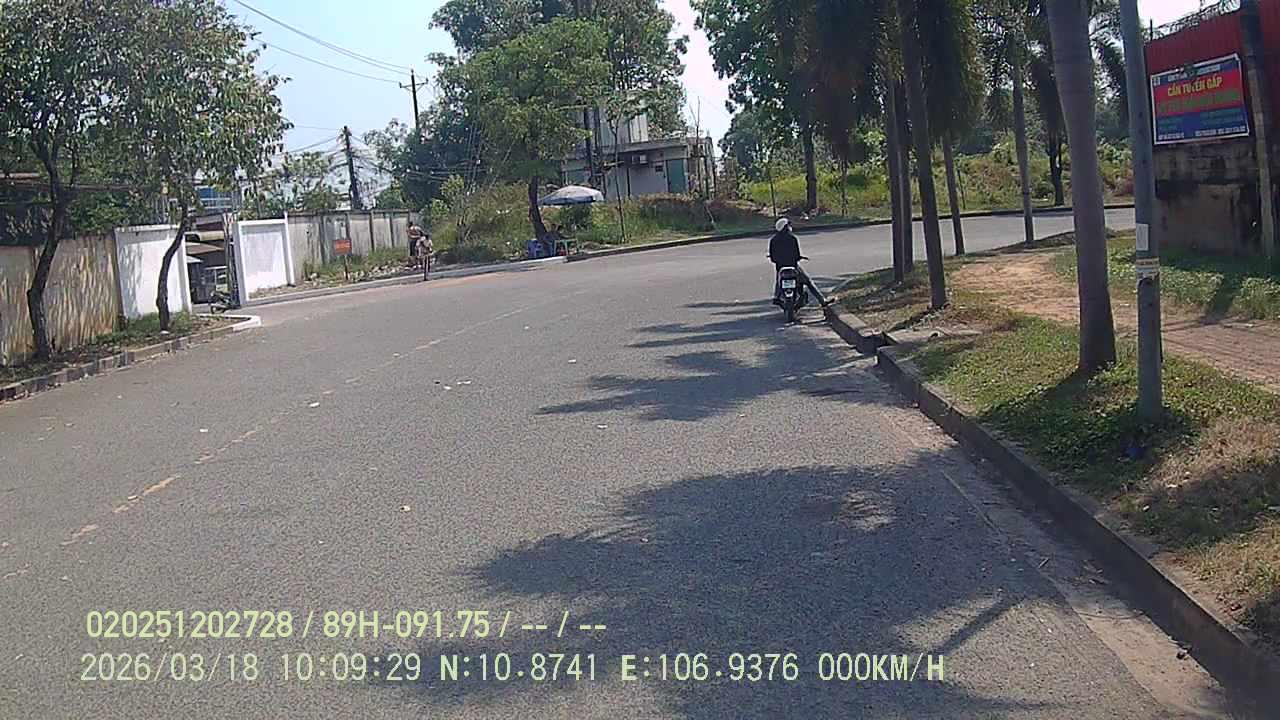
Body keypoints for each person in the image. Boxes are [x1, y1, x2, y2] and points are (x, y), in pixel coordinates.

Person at [769, 217, 830, 307]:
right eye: (788, 225)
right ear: (785, 227)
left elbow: (773, 258)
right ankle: (822, 301)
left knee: (779, 281)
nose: (790, 227)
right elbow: (797, 255)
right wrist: (797, 258)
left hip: (780, 268)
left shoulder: (773, 240)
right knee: (808, 282)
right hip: (793, 267)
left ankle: (776, 297)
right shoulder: (792, 238)